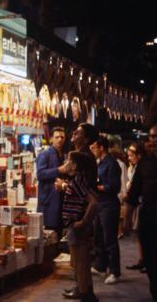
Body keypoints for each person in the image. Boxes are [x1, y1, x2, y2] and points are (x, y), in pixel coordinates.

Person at [123, 123, 157, 302]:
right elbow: (133, 194)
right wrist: (127, 219)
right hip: (149, 216)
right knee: (152, 261)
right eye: (153, 136)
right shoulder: (145, 162)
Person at [59, 123, 99, 302]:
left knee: (80, 260)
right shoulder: (81, 161)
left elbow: (91, 198)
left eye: (79, 132)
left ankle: (85, 293)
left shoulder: (84, 159)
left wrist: (83, 221)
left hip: (79, 218)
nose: (73, 132)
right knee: (78, 259)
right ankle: (85, 290)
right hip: (76, 218)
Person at [90, 136, 122, 284]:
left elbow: (114, 187)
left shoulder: (112, 164)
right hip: (100, 204)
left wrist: (97, 187)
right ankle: (100, 266)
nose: (92, 150)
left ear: (101, 147)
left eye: (94, 147)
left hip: (109, 205)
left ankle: (115, 271)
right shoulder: (100, 163)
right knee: (98, 236)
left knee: (110, 239)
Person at [36, 126, 66, 236]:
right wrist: (58, 170)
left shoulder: (64, 155)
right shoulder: (45, 154)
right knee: (49, 235)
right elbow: (40, 174)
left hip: (60, 200)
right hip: (48, 201)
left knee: (58, 233)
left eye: (62, 137)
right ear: (51, 139)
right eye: (57, 137)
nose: (60, 139)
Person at [123, 143, 146, 272]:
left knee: (143, 233)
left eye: (131, 155)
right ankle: (142, 259)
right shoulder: (132, 167)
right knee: (138, 233)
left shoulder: (141, 168)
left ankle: (146, 260)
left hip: (140, 203)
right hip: (135, 202)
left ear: (139, 155)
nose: (129, 158)